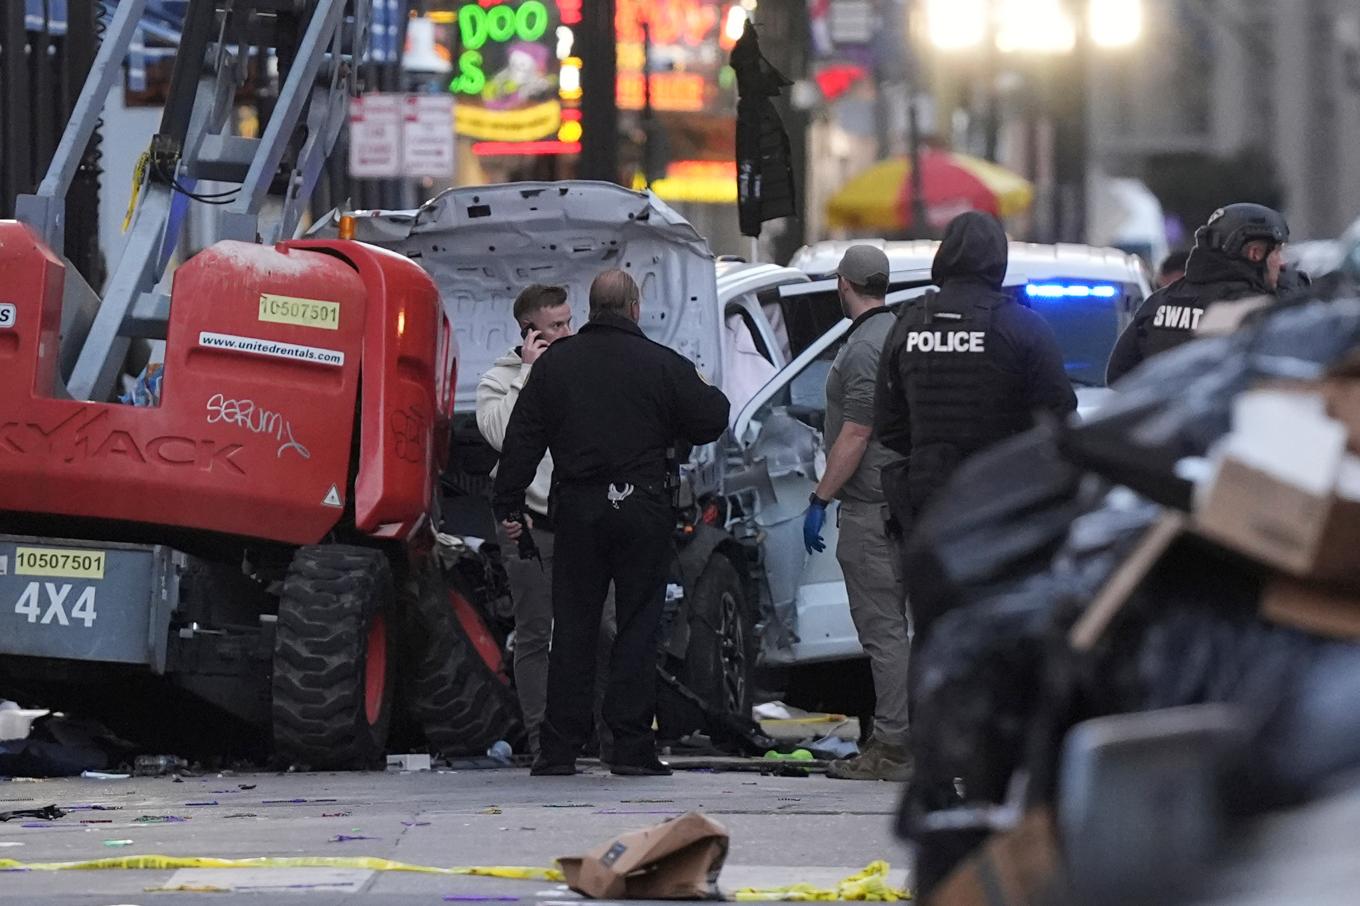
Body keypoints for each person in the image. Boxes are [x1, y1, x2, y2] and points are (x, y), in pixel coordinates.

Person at [493, 269, 730, 777]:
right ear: (635, 309)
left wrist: (508, 506)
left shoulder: (555, 369)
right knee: (638, 625)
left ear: (592, 308)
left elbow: (521, 442)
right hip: (643, 508)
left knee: (573, 628)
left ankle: (558, 749)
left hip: (577, 510)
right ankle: (629, 746)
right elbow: (713, 416)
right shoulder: (663, 364)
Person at [875, 211, 1077, 525]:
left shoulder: (908, 322)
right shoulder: (1023, 326)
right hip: (1002, 499)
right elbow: (1060, 417)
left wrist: (934, 452)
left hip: (928, 502)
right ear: (999, 259)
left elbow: (888, 424)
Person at [801, 245, 913, 783]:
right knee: (903, 630)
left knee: (883, 632)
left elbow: (857, 431)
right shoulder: (898, 331)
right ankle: (904, 737)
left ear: (842, 283)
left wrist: (821, 498)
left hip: (872, 505)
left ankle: (892, 746)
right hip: (901, 501)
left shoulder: (866, 345)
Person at [476, 284, 574, 756]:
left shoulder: (580, 370)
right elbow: (501, 436)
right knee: (535, 632)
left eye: (569, 322)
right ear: (529, 332)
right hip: (527, 524)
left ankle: (590, 732)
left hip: (578, 522)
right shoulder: (500, 379)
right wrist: (529, 374)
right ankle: (541, 740)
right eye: (556, 326)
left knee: (601, 628)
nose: (567, 332)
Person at [1106, 203, 1289, 383]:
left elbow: (1118, 376)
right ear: (1255, 253)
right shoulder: (1256, 312)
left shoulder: (1159, 302)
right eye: (1278, 252)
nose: (1282, 263)